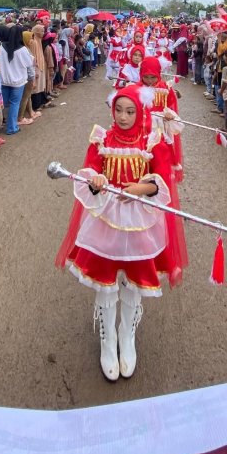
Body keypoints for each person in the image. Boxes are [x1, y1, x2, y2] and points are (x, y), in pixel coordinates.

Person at [55, 85, 187, 380]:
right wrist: (96, 180)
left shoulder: (152, 140)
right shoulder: (101, 138)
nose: (124, 117)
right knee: (106, 284)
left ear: (140, 111)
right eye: (118, 110)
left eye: (130, 111)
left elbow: (163, 179)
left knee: (133, 282)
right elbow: (88, 169)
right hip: (106, 221)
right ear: (111, 110)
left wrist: (143, 187)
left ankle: (127, 337)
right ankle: (107, 339)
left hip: (141, 223)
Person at [0, 25, 35, 134]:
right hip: (18, 82)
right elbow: (29, 64)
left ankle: (0, 125)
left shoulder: (1, 46)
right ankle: (11, 127)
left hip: (3, 80)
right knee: (15, 103)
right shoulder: (22, 49)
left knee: (3, 104)